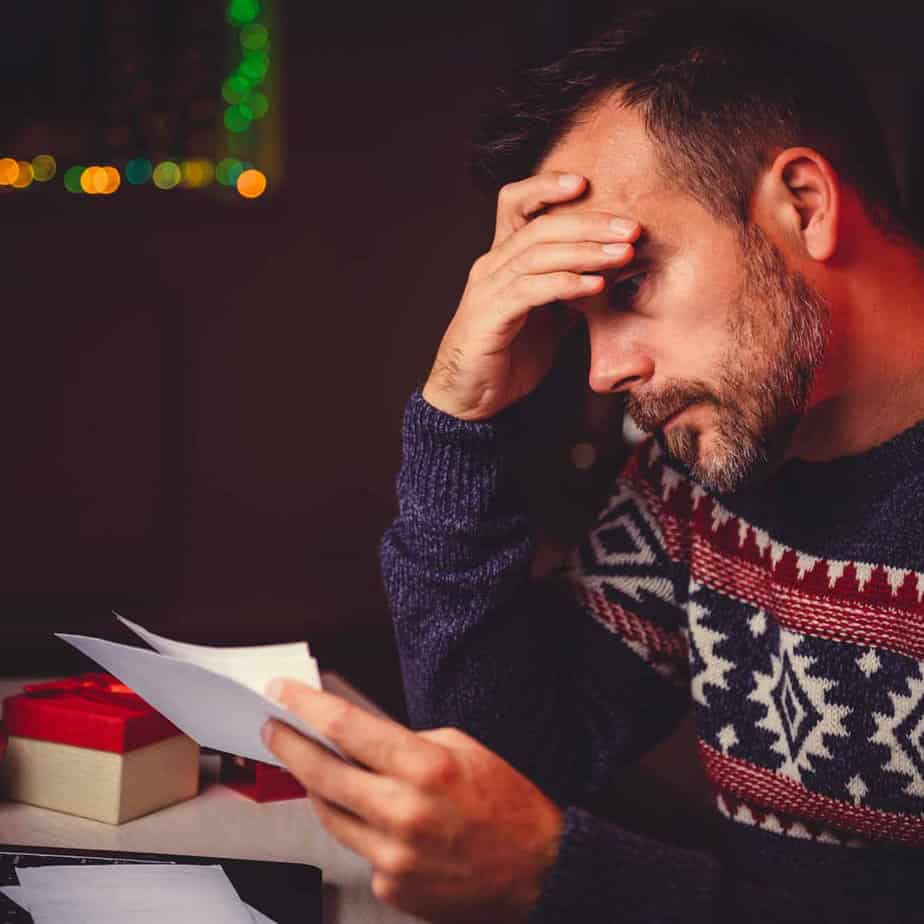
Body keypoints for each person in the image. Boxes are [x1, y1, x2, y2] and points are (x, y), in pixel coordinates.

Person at [261, 8, 924, 921]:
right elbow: (509, 758)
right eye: (583, 322)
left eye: (628, 288)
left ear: (803, 205)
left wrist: (566, 875)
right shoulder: (700, 470)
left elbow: (527, 847)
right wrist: (462, 417)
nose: (608, 375)